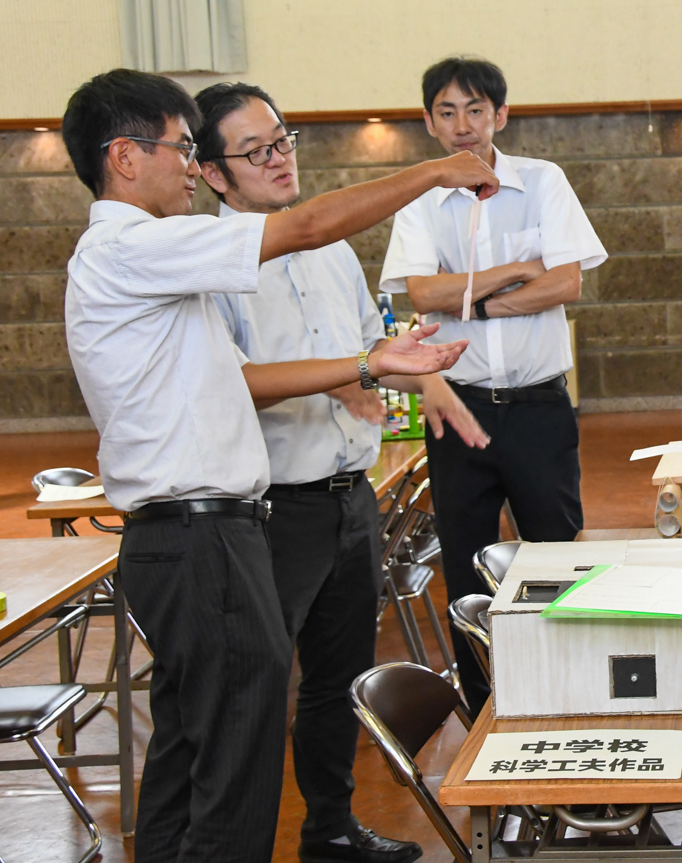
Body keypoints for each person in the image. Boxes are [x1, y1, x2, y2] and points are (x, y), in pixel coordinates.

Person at [62, 69, 489, 863]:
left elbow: (232, 376)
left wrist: (366, 365)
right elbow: (305, 226)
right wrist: (434, 170)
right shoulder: (133, 244)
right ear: (125, 156)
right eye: (182, 150)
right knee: (233, 772)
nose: (189, 167)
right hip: (199, 536)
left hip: (200, 535)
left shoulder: (143, 259)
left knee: (196, 757)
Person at [197, 82, 489, 863]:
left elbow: (370, 350)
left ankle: (328, 829)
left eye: (283, 140)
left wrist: (414, 368)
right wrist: (352, 369)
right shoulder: (212, 268)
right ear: (213, 175)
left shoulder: (327, 247)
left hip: (346, 497)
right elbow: (234, 379)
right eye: (255, 152)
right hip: (270, 510)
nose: (279, 159)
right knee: (257, 695)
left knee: (338, 682)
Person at [380, 56, 608, 711]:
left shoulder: (542, 182)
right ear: (429, 122)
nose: (462, 125)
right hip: (461, 408)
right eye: (446, 112)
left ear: (499, 116)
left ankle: (571, 693)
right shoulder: (419, 197)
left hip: (538, 405)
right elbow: (421, 290)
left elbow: (567, 282)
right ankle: (484, 705)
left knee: (557, 556)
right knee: (466, 568)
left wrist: (470, 301)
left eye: (475, 110)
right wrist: (517, 272)